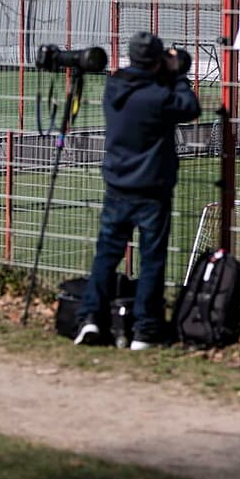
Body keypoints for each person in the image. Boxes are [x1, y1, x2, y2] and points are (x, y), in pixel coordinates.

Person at [75, 32, 200, 349]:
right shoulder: (160, 95)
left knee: (106, 256)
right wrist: (178, 74)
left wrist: (163, 72)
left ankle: (90, 319)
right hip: (152, 189)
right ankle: (145, 330)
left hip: (117, 185)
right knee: (152, 260)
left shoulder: (115, 86)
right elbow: (190, 107)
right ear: (158, 60)